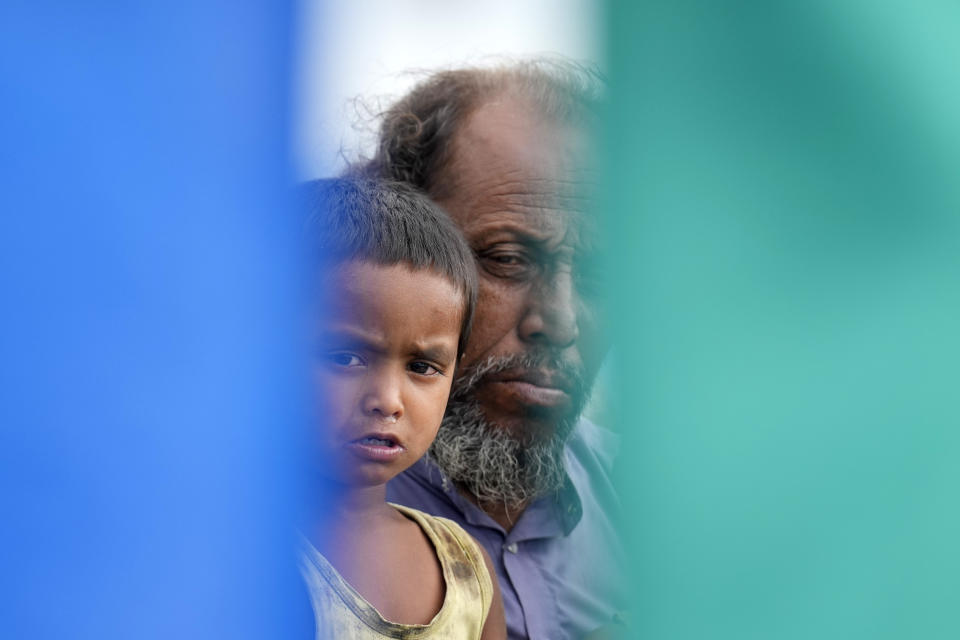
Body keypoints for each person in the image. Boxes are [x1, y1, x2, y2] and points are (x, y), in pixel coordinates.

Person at [370, 62, 630, 639]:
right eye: (507, 258)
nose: (558, 321)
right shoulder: (286, 523)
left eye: (597, 277)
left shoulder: (656, 514)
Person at [299, 178, 506, 640]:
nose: (388, 401)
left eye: (422, 366)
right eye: (345, 357)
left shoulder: (468, 570)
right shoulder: (236, 565)